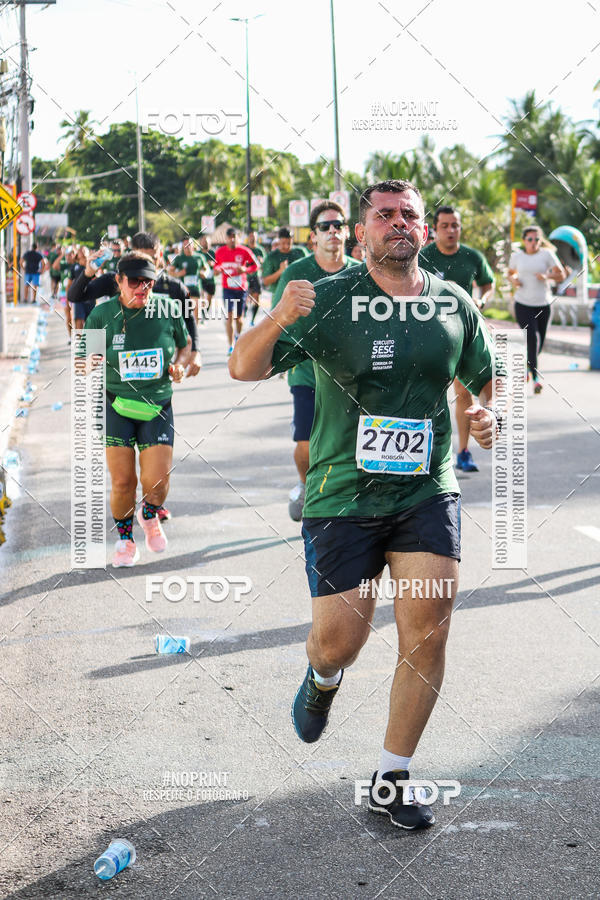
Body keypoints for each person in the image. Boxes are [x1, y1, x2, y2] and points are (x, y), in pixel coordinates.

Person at [230, 179, 502, 830]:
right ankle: (321, 680)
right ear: (362, 234)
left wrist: (490, 412)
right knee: (339, 643)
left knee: (428, 630)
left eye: (409, 213)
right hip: (342, 495)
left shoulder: (454, 302)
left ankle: (391, 775)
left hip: (425, 491)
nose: (400, 222)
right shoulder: (326, 300)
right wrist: (277, 316)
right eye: (385, 215)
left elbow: (485, 376)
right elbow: (243, 367)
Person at [80, 253, 189, 567]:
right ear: (119, 281)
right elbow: (81, 359)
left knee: (157, 481)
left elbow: (185, 345)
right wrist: (90, 362)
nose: (142, 288)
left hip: (157, 404)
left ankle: (150, 514)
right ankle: (125, 540)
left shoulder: (168, 309)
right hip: (117, 405)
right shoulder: (102, 315)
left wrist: (180, 365)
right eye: (134, 281)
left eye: (148, 281)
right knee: (123, 482)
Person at [271, 200, 359, 520]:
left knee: (352, 441)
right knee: (306, 444)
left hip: (352, 375)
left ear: (347, 232)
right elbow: (278, 319)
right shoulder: (297, 272)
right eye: (325, 226)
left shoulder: (361, 272)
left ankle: (350, 495)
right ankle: (306, 484)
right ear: (313, 236)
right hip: (307, 374)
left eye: (338, 225)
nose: (333, 231)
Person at [419, 206, 495, 473]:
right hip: (427, 334)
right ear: (434, 229)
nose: (451, 230)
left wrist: (482, 300)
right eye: (445, 226)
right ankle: (425, 452)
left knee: (464, 393)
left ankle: (463, 452)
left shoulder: (471, 256)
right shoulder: (423, 257)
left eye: (455, 225)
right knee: (427, 392)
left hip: (463, 333)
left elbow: (488, 283)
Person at [508, 225, 565, 394]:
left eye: (537, 239)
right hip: (523, 304)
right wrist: (514, 280)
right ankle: (536, 379)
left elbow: (561, 274)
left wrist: (546, 276)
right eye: (530, 239)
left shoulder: (546, 255)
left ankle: (527, 366)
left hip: (543, 303)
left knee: (540, 342)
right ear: (524, 241)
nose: (533, 243)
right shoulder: (517, 256)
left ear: (541, 241)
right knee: (532, 337)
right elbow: (510, 273)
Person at [213, 227, 259, 355]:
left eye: (234, 237)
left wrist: (245, 270)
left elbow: (256, 265)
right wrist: (216, 269)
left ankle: (238, 336)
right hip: (227, 288)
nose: (232, 239)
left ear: (238, 238)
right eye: (230, 237)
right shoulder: (220, 252)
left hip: (241, 288)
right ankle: (230, 345)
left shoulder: (244, 251)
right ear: (226, 238)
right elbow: (216, 265)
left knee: (239, 318)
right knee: (229, 316)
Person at [261, 226, 309, 295]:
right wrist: (280, 271)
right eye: (283, 243)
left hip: (300, 294)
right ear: (278, 240)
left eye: (289, 243)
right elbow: (265, 281)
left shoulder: (301, 252)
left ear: (292, 240)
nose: (286, 246)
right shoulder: (271, 257)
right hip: (279, 297)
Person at [170, 237, 204, 322]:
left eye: (189, 244)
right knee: (185, 312)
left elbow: (206, 268)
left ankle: (195, 332)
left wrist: (204, 273)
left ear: (193, 245)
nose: (187, 246)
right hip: (183, 288)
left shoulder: (199, 257)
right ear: (183, 246)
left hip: (196, 288)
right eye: (185, 245)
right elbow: (170, 271)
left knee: (196, 310)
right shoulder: (179, 258)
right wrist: (178, 274)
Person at [245, 230, 265, 326]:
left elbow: (264, 264)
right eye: (251, 236)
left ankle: (252, 319)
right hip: (246, 277)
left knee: (257, 298)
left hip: (256, 276)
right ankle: (243, 313)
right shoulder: (245, 249)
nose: (253, 238)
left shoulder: (260, 250)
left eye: (254, 237)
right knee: (245, 297)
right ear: (248, 238)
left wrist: (261, 261)